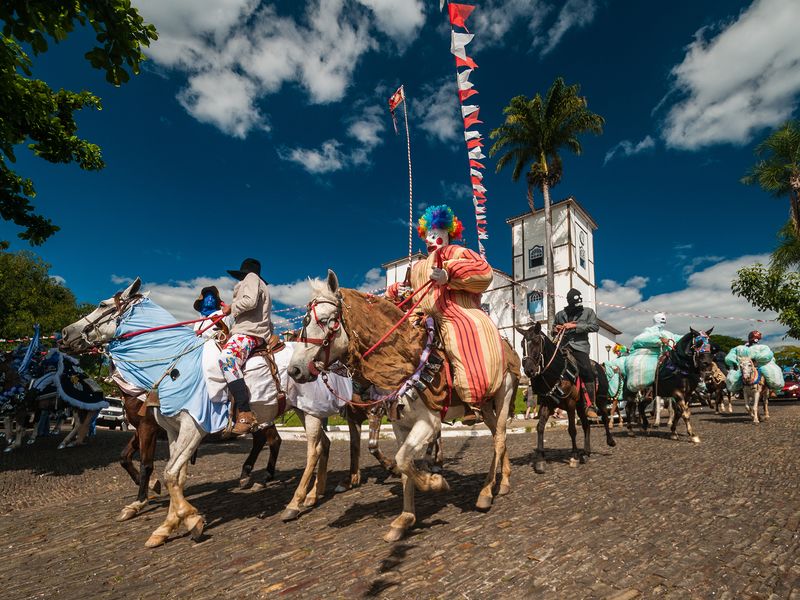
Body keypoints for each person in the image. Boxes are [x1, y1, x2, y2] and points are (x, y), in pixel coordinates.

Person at [386, 205, 505, 424]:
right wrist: (398, 291)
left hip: (453, 310)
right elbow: (408, 294)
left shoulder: (457, 252)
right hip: (420, 316)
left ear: (448, 233)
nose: (431, 239)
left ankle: (472, 400)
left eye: (436, 234)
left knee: (461, 338)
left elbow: (483, 270)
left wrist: (449, 274)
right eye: (428, 235)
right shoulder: (418, 266)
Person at [219, 258, 273, 435]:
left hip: (248, 333)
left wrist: (231, 308)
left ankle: (244, 412)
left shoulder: (251, 278)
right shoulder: (262, 286)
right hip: (256, 333)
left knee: (227, 359)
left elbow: (249, 302)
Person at [553, 288, 599, 416]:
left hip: (580, 347)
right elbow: (553, 328)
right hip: (563, 347)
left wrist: (575, 326)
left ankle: (590, 406)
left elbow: (595, 327)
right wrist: (556, 329)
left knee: (587, 371)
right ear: (569, 303)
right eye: (575, 304)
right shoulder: (559, 314)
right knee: (550, 368)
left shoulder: (589, 312)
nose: (579, 306)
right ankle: (550, 402)